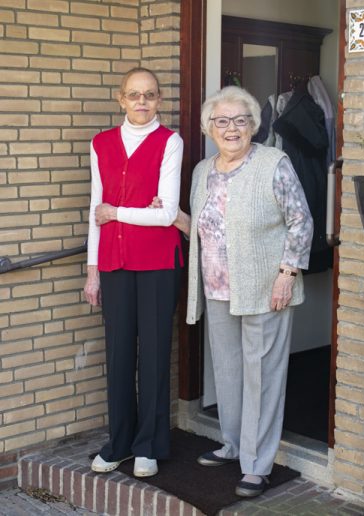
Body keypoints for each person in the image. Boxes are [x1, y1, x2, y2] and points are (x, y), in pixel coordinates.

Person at [173, 86, 313, 497]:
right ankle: (233, 445)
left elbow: (301, 222)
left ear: (254, 125)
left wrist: (287, 274)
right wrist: (163, 214)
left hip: (266, 288)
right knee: (229, 372)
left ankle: (257, 463)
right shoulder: (202, 170)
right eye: (222, 121)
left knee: (263, 376)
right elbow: (202, 228)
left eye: (240, 120)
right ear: (208, 127)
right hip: (217, 288)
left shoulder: (274, 163)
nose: (231, 128)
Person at [84, 67, 183, 478]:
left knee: (155, 353)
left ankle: (149, 445)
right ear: (121, 99)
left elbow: (167, 216)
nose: (142, 102)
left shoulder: (170, 142)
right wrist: (92, 271)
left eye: (150, 95)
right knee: (119, 352)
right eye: (134, 95)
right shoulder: (101, 143)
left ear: (159, 100)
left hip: (160, 262)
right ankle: (120, 441)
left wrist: (118, 212)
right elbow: (95, 211)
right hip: (113, 262)